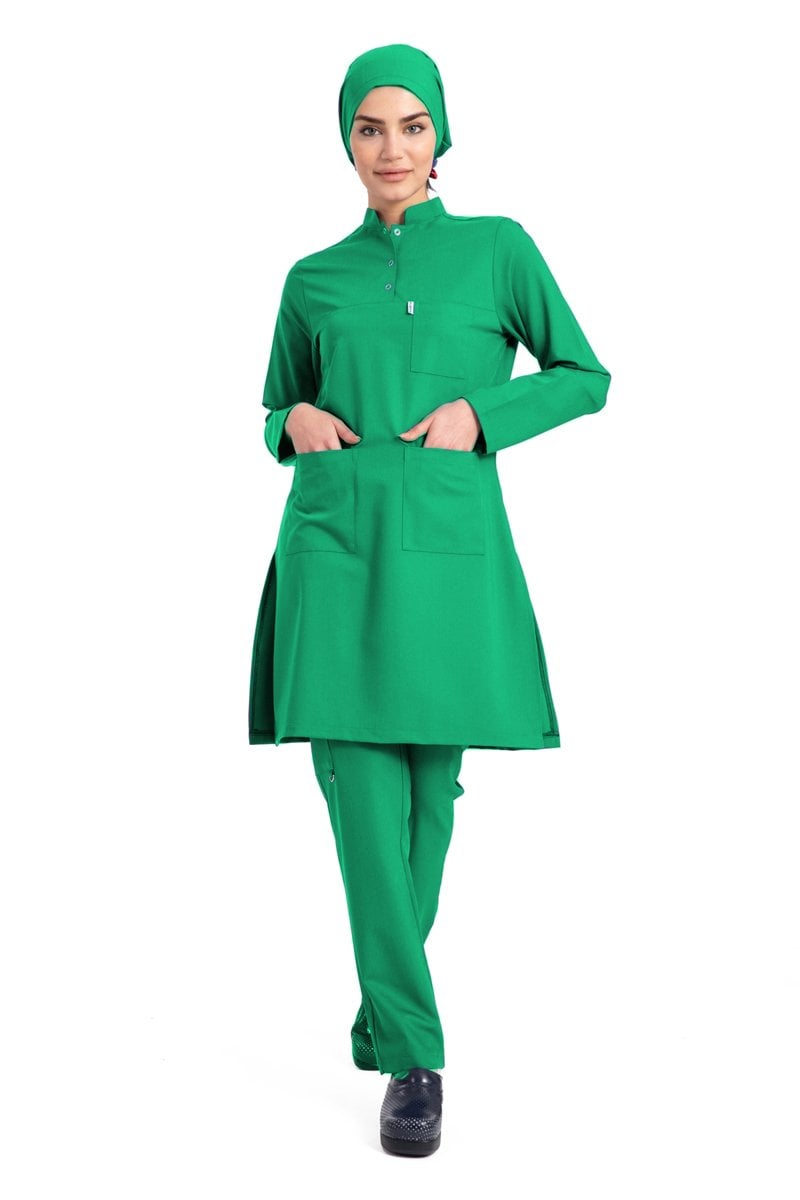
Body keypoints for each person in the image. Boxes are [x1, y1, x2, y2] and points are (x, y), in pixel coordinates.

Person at [248, 43, 611, 1157]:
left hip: (448, 565)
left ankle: (380, 1009)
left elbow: (583, 376)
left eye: (411, 126)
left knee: (429, 809)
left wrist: (480, 416)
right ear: (346, 142)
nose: (391, 147)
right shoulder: (312, 278)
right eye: (369, 127)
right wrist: (291, 424)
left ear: (440, 136)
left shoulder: (498, 250)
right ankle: (415, 1059)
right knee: (363, 809)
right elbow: (273, 408)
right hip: (335, 558)